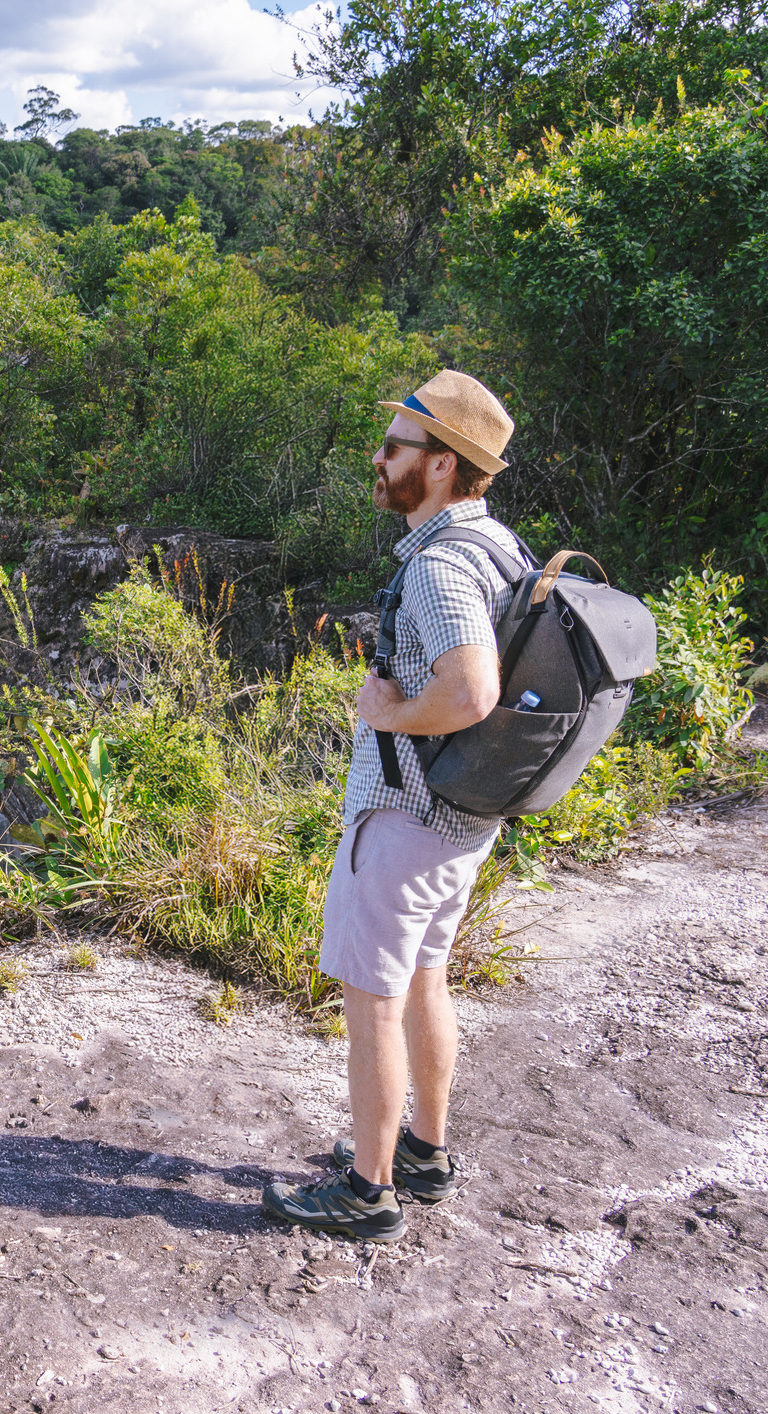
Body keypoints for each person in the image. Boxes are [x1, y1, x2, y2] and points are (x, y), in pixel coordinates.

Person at [261, 369, 524, 1243]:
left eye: (394, 447)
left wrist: (388, 714)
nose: (378, 460)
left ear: (442, 465)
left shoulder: (442, 566)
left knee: (371, 997)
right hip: (462, 818)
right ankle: (423, 1152)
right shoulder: (498, 546)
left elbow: (472, 690)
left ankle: (367, 1192)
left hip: (408, 817)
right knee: (422, 977)